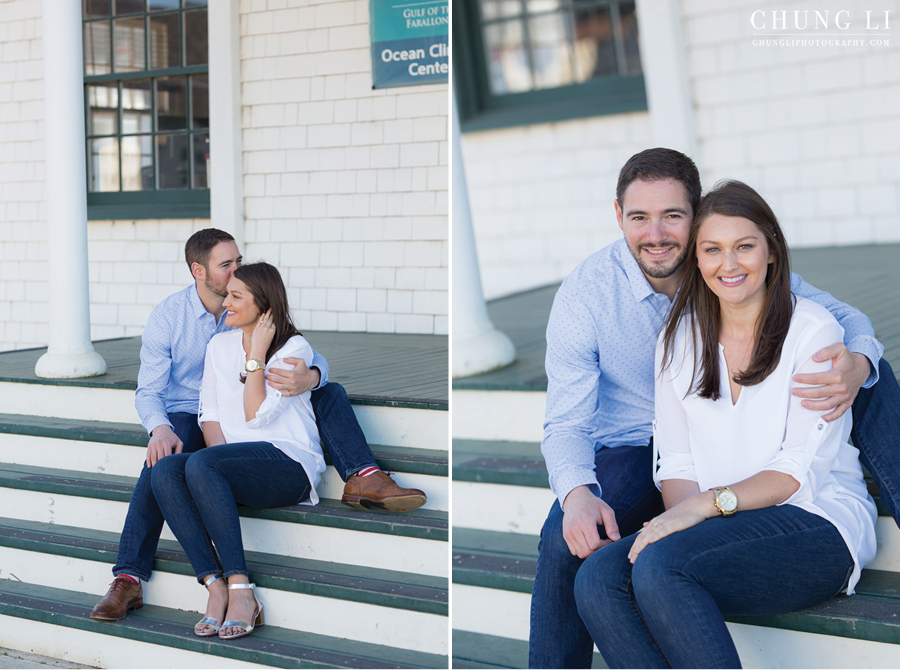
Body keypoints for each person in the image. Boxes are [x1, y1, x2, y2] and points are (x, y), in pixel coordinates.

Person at [529, 148, 900, 668]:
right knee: (571, 544)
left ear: (697, 214)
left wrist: (859, 363)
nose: (656, 233)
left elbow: (843, 321)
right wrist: (576, 494)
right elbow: (569, 421)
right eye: (639, 217)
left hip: (774, 486)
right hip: (637, 447)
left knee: (872, 374)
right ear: (619, 216)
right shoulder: (595, 297)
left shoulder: (747, 276)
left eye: (672, 216)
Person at [90, 229, 425, 622]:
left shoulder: (258, 312)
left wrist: (311, 376)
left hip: (259, 412)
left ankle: (363, 475)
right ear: (199, 271)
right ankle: (129, 576)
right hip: (188, 411)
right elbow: (150, 391)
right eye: (226, 265)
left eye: (239, 262)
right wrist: (158, 427)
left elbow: (305, 356)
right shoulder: (171, 317)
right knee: (164, 460)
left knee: (328, 390)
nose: (237, 270)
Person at [151, 261, 324, 639]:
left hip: (289, 464)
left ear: (263, 306)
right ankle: (215, 586)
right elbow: (209, 413)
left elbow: (256, 413)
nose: (225, 303)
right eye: (227, 294)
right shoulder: (219, 345)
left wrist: (257, 353)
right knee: (165, 470)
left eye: (236, 296)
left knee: (203, 464)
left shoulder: (293, 348)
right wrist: (213, 469)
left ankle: (242, 590)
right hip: (237, 465)